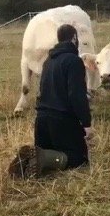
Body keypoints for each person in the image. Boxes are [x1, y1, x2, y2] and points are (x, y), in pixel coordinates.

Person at [9, 24, 92, 178]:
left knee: (49, 149)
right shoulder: (74, 61)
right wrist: (86, 124)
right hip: (62, 122)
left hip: (41, 123)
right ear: (74, 38)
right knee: (80, 159)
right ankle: (44, 158)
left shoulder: (48, 62)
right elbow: (76, 95)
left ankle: (28, 161)